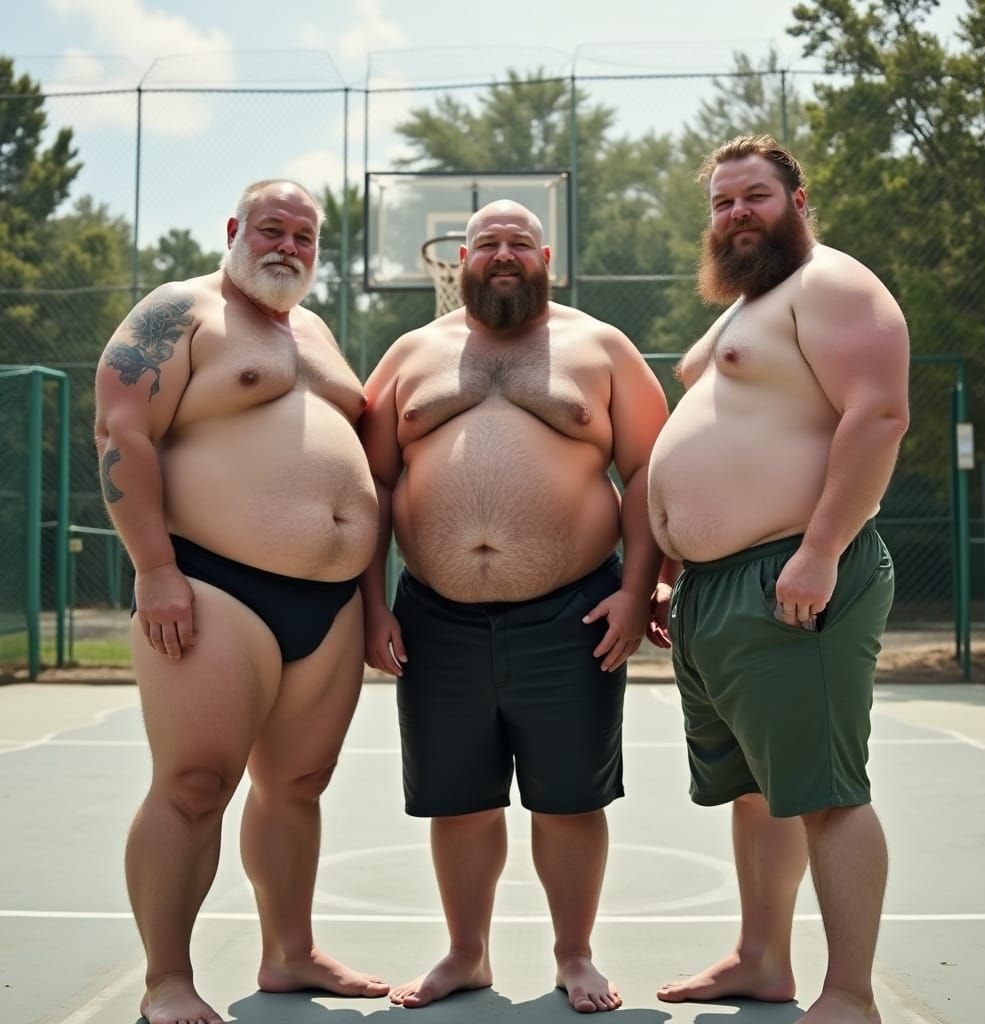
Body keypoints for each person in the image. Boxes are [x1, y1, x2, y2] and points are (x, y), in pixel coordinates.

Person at [359, 199, 670, 1013]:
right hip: (434, 614)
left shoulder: (599, 346)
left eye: (519, 244)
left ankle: (575, 955)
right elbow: (370, 486)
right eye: (489, 242)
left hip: (573, 612)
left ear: (546, 256)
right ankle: (467, 954)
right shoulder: (410, 353)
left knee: (570, 797)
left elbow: (648, 473)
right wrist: (371, 605)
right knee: (457, 798)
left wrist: (639, 590)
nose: (504, 254)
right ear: (461, 257)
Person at [94, 179, 389, 1024]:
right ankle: (167, 981)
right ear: (234, 230)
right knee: (193, 782)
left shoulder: (319, 334)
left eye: (304, 236)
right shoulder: (180, 310)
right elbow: (122, 431)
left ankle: (289, 953)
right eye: (272, 228)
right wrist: (154, 569)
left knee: (298, 783)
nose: (288, 246)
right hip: (212, 582)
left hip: (328, 603)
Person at [647, 135, 910, 1024]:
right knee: (759, 788)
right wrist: (676, 565)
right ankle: (762, 960)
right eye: (721, 203)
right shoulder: (748, 308)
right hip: (716, 590)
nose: (735, 215)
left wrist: (822, 548)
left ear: (799, 203)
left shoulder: (831, 282)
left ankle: (849, 996)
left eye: (753, 196)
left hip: (792, 572)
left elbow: (878, 412)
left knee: (827, 791)